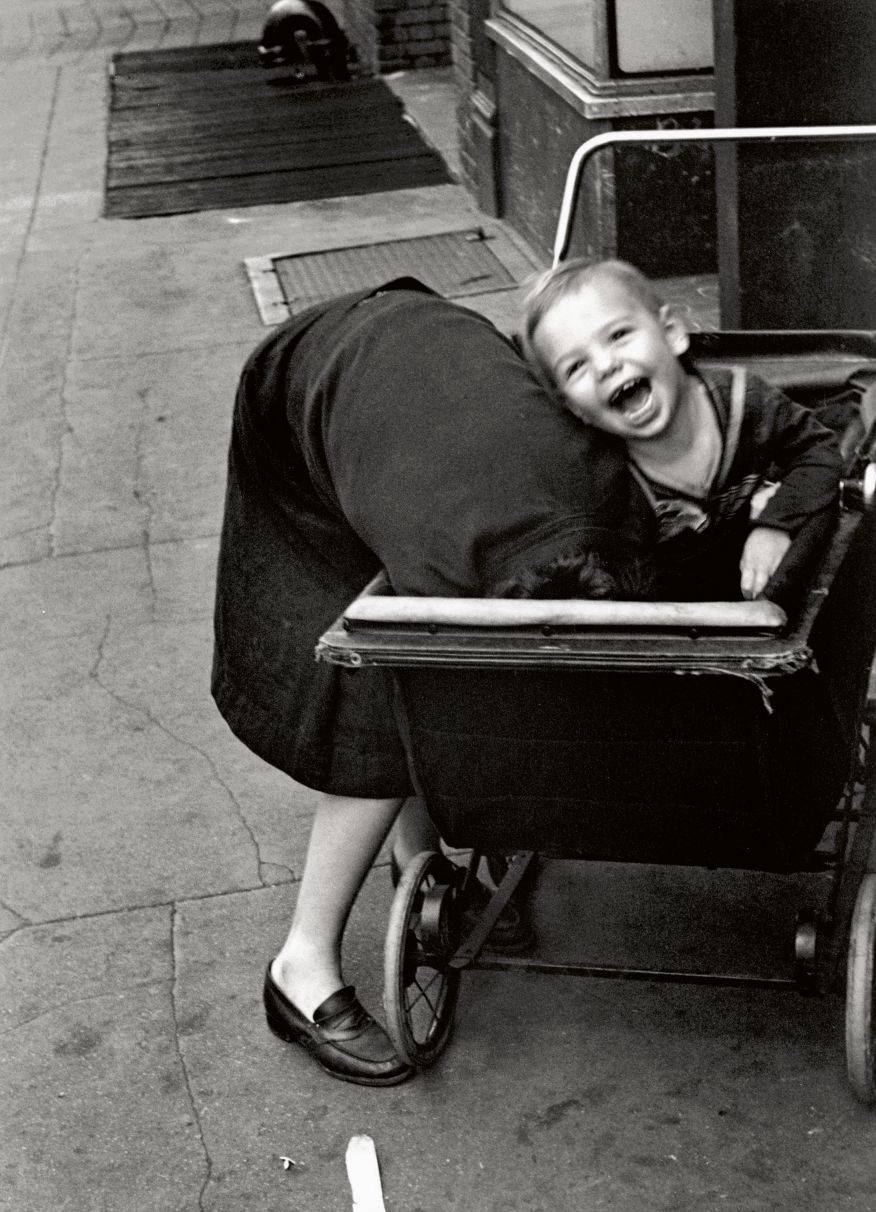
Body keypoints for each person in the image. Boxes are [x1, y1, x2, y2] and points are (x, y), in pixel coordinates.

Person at [212, 277, 650, 1088]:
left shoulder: (607, 492)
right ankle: (298, 967)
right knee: (378, 697)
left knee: (421, 687)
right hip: (304, 389)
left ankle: (427, 871)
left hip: (425, 359)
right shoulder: (441, 552)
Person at [520, 258, 843, 604]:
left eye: (618, 335)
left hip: (769, 579)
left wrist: (776, 525)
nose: (605, 365)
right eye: (576, 367)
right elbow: (637, 594)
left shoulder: (743, 401)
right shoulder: (612, 481)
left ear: (671, 333)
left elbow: (820, 449)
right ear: (575, 409)